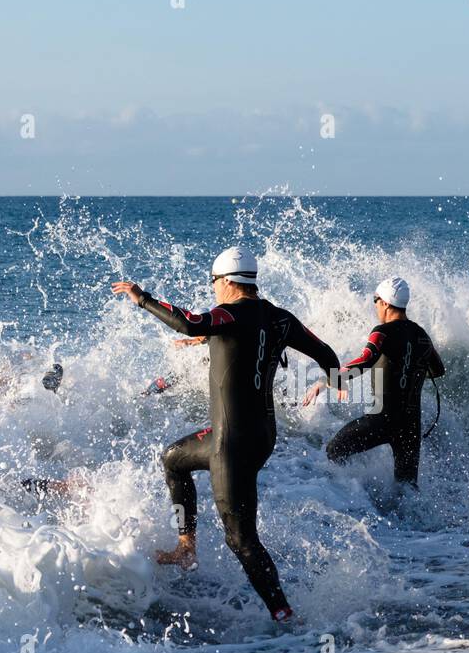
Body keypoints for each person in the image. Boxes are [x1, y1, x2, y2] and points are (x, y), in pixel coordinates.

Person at [111, 247, 340, 622]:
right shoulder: (280, 318)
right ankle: (186, 546)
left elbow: (189, 321)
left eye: (213, 282)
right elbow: (326, 353)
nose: (213, 288)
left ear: (227, 281)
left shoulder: (229, 313)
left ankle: (283, 614)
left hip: (230, 443)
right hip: (261, 436)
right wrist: (332, 383)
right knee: (174, 458)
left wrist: (143, 299)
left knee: (241, 539)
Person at [307, 277, 445, 486]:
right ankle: (411, 519)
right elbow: (438, 370)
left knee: (334, 451)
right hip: (410, 425)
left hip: (382, 420)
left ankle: (349, 501)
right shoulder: (422, 335)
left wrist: (328, 380)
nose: (375, 306)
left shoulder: (382, 332)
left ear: (385, 302)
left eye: (375, 300)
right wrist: (408, 372)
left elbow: (364, 360)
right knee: (407, 487)